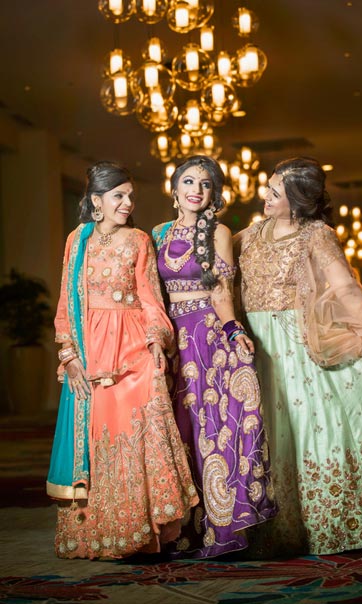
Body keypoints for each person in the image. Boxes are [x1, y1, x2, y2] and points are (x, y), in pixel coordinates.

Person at [234, 156, 362, 557]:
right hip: (254, 347)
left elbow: (344, 289)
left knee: (307, 427)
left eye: (275, 192)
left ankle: (323, 524)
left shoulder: (316, 235)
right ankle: (267, 527)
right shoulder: (253, 233)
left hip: (296, 346)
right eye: (268, 187)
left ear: (297, 202)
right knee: (264, 435)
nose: (265, 196)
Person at [47, 161, 198, 559]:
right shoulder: (76, 241)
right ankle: (100, 534)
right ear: (96, 201)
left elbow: (150, 299)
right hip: (90, 353)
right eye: (119, 196)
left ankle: (144, 533)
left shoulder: (138, 241)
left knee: (137, 439)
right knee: (98, 441)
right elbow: (65, 301)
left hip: (132, 351)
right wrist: (69, 355)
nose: (128, 203)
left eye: (130, 195)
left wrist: (155, 343)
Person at [152, 155, 277, 559]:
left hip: (207, 340)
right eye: (189, 182)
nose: (196, 190)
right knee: (177, 431)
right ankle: (178, 530)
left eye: (205, 185)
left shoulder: (219, 232)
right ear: (174, 190)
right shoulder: (156, 234)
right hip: (169, 341)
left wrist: (233, 330)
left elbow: (222, 292)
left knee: (213, 428)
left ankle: (220, 526)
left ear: (213, 194)